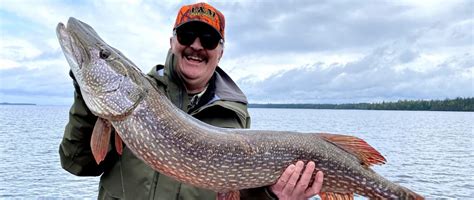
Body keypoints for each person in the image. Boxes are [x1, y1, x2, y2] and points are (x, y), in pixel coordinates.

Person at [59, 2, 324, 200]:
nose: (196, 45)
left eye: (208, 39)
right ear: (172, 42)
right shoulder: (129, 102)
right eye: (187, 36)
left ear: (220, 52)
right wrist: (86, 93)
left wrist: (274, 197)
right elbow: (77, 164)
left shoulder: (234, 120)